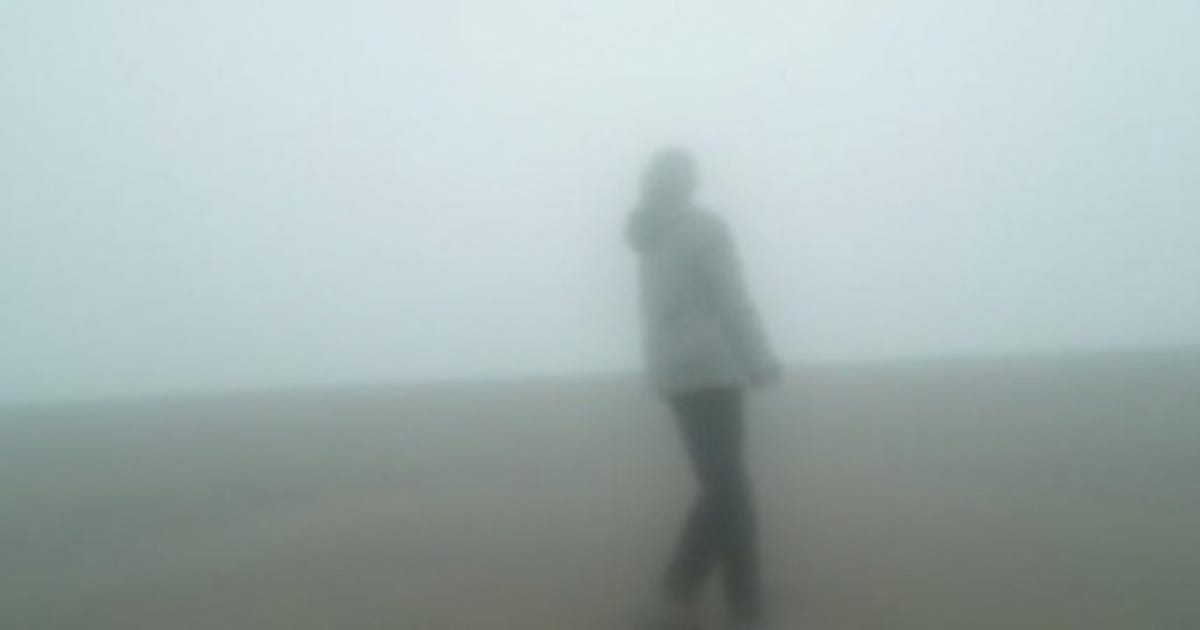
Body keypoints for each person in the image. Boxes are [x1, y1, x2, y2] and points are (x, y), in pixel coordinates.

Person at [626, 148, 781, 630]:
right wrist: (758, 357)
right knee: (729, 490)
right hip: (712, 369)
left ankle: (686, 585)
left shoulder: (648, 235)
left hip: (673, 372)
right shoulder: (703, 228)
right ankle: (741, 605)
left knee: (721, 484)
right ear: (689, 183)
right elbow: (732, 298)